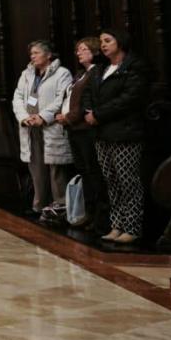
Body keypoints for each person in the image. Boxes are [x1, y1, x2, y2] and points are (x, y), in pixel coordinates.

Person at [84, 27, 151, 245]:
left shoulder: (133, 67)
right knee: (111, 181)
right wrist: (89, 112)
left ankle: (132, 227)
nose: (103, 45)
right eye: (101, 41)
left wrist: (99, 114)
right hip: (101, 133)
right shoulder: (100, 69)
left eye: (108, 40)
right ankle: (116, 225)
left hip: (124, 132)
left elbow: (129, 98)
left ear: (120, 42)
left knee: (128, 181)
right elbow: (88, 94)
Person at [11, 39, 73, 214]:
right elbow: (18, 97)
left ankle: (60, 208)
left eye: (36, 53)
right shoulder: (27, 74)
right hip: (30, 127)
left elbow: (61, 99)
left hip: (50, 126)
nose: (32, 56)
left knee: (56, 169)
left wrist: (42, 117)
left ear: (48, 55)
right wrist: (24, 117)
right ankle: (39, 206)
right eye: (31, 53)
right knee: (36, 168)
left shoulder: (62, 73)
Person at [56, 37, 107, 229]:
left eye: (83, 49)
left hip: (85, 129)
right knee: (83, 171)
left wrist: (69, 117)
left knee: (93, 171)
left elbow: (86, 103)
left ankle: (100, 216)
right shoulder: (79, 74)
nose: (78, 53)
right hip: (74, 129)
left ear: (94, 52)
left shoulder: (96, 73)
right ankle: (87, 211)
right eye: (77, 50)